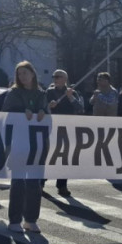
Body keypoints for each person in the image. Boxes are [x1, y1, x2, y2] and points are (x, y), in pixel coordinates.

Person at [2, 61, 47, 234]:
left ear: (32, 74)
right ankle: (15, 220)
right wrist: (22, 111)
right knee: (18, 182)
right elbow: (7, 113)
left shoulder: (41, 93)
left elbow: (47, 116)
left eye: (25, 73)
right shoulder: (13, 93)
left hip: (37, 145)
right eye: (19, 74)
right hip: (18, 143)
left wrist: (44, 112)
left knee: (34, 183)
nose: (22, 76)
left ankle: (31, 220)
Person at [45, 69, 82, 197]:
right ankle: (41, 181)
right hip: (52, 127)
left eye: (58, 76)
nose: (55, 79)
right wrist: (48, 106)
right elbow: (41, 107)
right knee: (48, 154)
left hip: (67, 128)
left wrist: (70, 97)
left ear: (65, 79)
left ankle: (62, 185)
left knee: (64, 157)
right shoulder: (49, 92)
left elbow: (80, 108)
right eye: (54, 76)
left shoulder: (72, 92)